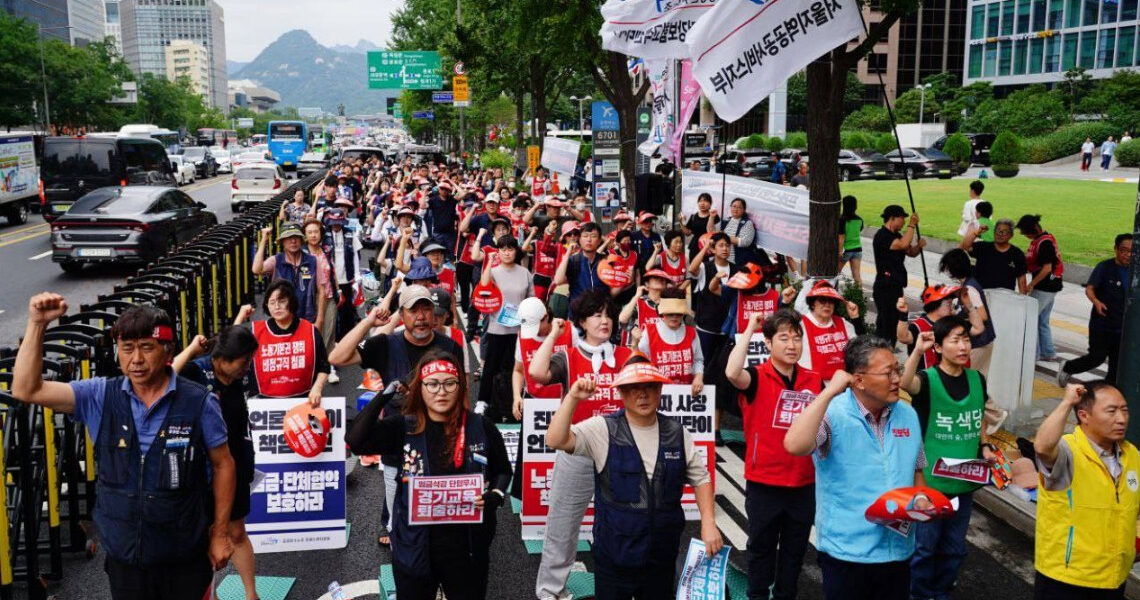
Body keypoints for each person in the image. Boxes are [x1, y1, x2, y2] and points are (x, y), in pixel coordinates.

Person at [12, 297, 235, 599]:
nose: (136, 359)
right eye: (127, 348)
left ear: (168, 351)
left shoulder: (198, 402)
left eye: (147, 347)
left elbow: (223, 464)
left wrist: (220, 532)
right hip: (126, 561)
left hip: (184, 557)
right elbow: (27, 389)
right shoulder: (100, 395)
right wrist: (37, 324)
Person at [545, 360, 722, 600]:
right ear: (621, 393)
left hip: (661, 554)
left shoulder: (676, 431)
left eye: (650, 387)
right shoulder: (603, 429)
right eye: (633, 388)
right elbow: (556, 440)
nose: (642, 395)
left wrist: (708, 523)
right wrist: (573, 398)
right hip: (614, 554)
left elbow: (700, 478)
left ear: (660, 390)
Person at [346, 351, 511, 600]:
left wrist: (495, 495)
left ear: (460, 386)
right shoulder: (404, 426)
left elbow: (503, 470)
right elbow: (355, 440)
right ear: (419, 388)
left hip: (466, 548)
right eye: (432, 384)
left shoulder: (480, 426)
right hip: (414, 546)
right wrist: (385, 394)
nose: (441, 391)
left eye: (449, 383)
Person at [784, 336, 928, 600]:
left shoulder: (907, 414)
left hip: (898, 551)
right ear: (859, 379)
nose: (897, 379)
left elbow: (917, 469)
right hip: (847, 553)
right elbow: (795, 445)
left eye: (897, 369)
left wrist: (921, 500)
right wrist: (828, 392)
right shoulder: (832, 413)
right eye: (888, 373)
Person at [527, 290, 634, 600]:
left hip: (619, 452)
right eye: (596, 315)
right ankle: (550, 591)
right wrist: (556, 334)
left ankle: (619, 588)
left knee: (622, 526)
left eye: (608, 315)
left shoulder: (627, 356)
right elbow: (536, 373)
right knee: (563, 524)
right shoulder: (570, 356)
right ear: (582, 322)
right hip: (577, 449)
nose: (605, 321)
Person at [725, 310, 822, 600]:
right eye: (783, 338)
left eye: (797, 338)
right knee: (761, 550)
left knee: (794, 553)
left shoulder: (814, 380)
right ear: (767, 343)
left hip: (803, 483)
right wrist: (749, 330)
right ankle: (757, 596)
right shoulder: (756, 377)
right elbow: (731, 373)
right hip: (764, 482)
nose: (792, 345)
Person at [899, 318, 992, 600]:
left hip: (964, 482)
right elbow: (905, 382)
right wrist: (917, 351)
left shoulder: (977, 379)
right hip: (929, 483)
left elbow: (979, 415)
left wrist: (986, 446)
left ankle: (940, 591)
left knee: (954, 548)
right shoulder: (928, 380)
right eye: (955, 340)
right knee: (924, 546)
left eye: (965, 339)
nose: (963, 346)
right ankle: (919, 594)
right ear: (938, 347)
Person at [173, 327, 260, 600]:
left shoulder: (242, 378)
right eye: (243, 362)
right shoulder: (196, 372)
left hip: (236, 464)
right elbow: (164, 379)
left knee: (236, 532)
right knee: (200, 538)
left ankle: (251, 594)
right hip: (200, 470)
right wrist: (190, 350)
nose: (247, 368)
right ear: (222, 357)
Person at [1033, 381, 1139, 598]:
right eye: (1111, 411)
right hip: (1065, 579)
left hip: (1113, 577)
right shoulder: (1067, 451)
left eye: (1124, 410)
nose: (1121, 419)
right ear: (1084, 415)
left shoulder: (1132, 455)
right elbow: (1042, 446)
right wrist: (1066, 402)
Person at [240, 280, 329, 404]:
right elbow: (230, 349)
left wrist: (317, 388)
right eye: (272, 302)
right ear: (267, 305)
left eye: (282, 301)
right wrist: (240, 316)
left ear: (291, 302)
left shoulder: (310, 331)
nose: (277, 306)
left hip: (303, 401)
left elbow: (324, 366)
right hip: (263, 403)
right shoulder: (255, 331)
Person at [1060, 233, 1131, 385]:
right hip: (1102, 324)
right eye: (1124, 250)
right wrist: (1096, 302)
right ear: (1116, 249)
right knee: (1096, 358)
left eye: (1132, 251)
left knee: (1117, 367)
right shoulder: (1104, 267)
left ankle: (1108, 396)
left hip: (1123, 328)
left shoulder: (1135, 271)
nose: (1127, 255)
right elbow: (1090, 289)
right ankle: (1068, 367)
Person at [478, 234, 535, 420]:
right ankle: (482, 401)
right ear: (498, 251)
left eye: (510, 249)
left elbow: (531, 300)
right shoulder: (493, 271)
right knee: (491, 367)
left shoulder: (524, 272)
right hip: (497, 326)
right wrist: (490, 262)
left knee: (516, 368)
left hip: (519, 330)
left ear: (516, 251)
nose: (507, 253)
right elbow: (484, 286)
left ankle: (516, 401)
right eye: (503, 249)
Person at [872, 205, 926, 346]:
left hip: (896, 285)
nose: (903, 221)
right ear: (892, 218)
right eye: (902, 218)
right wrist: (912, 225)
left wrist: (919, 246)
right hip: (885, 285)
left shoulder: (896, 235)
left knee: (894, 320)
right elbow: (902, 245)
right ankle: (881, 349)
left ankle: (890, 347)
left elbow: (910, 252)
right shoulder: (882, 236)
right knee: (886, 322)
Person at [635, 288, 704, 397]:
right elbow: (639, 362)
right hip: (658, 394)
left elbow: (698, 360)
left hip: (686, 395)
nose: (674, 317)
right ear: (662, 311)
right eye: (670, 313)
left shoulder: (692, 333)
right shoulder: (649, 333)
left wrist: (698, 377)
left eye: (678, 313)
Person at [939, 249, 996, 376]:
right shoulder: (968, 283)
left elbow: (982, 316)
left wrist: (958, 320)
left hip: (979, 345)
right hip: (981, 343)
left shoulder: (969, 289)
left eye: (947, 268)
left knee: (972, 383)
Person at [252, 222, 321, 323]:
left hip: (307, 318)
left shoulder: (312, 261)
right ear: (282, 242)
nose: (293, 241)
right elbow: (256, 269)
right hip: (282, 318)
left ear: (301, 240)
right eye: (288, 238)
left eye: (296, 237)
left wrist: (319, 320)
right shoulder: (276, 260)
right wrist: (263, 240)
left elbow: (321, 291)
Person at [1018, 214, 1064, 361]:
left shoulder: (1044, 244)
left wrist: (1031, 284)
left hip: (1045, 287)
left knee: (1030, 318)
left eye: (1026, 233)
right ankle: (1048, 352)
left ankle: (1034, 354)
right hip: (1052, 285)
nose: (1026, 236)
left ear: (1033, 230)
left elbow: (1046, 269)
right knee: (1042, 320)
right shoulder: (1044, 239)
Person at [799, 280, 864, 383]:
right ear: (812, 303)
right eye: (822, 300)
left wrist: (855, 318)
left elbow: (862, 346)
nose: (827, 305)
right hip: (813, 386)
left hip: (845, 385)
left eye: (831, 301)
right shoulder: (801, 325)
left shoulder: (842, 322)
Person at [322, 208, 362, 340]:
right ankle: (332, 340)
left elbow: (356, 255)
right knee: (331, 312)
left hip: (346, 279)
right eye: (333, 222)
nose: (336, 225)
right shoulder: (324, 235)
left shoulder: (350, 234)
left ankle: (347, 340)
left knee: (347, 312)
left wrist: (357, 275)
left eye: (339, 222)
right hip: (330, 280)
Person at [960, 218, 1028, 293]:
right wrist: (976, 233)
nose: (1000, 234)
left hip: (1004, 296)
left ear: (1011, 235)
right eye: (998, 231)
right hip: (980, 293)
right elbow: (965, 246)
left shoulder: (1017, 254)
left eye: (1004, 232)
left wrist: (1022, 299)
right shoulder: (983, 247)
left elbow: (1021, 279)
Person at [680, 192, 720, 260]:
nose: (702, 203)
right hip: (694, 247)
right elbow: (687, 233)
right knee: (694, 268)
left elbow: (713, 231)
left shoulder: (714, 216)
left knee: (706, 268)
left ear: (710, 204)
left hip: (708, 247)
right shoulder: (694, 216)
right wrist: (681, 222)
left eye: (705, 201)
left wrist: (711, 217)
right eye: (700, 201)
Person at [720, 198, 757, 265]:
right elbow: (713, 231)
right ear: (730, 207)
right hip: (723, 259)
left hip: (737, 261)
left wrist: (724, 237)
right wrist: (711, 217)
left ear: (744, 210)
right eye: (734, 206)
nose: (736, 209)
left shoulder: (747, 223)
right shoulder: (726, 220)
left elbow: (745, 242)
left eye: (739, 207)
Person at [837, 195, 865, 287]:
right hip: (858, 249)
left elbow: (841, 238)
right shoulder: (860, 220)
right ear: (855, 206)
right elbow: (859, 230)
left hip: (846, 250)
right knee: (857, 276)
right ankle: (859, 297)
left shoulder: (842, 219)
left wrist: (839, 251)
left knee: (835, 273)